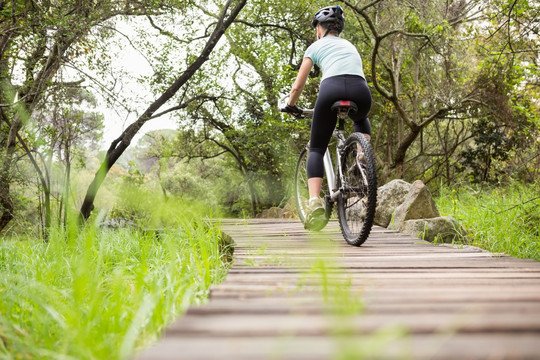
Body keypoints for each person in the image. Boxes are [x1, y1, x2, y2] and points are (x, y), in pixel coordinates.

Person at [283, 5, 372, 231]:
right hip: (360, 91)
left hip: (330, 89)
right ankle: (363, 156)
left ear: (320, 28)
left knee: (316, 149)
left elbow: (298, 85)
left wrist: (290, 105)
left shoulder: (315, 46)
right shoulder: (349, 45)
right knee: (360, 118)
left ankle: (314, 203)